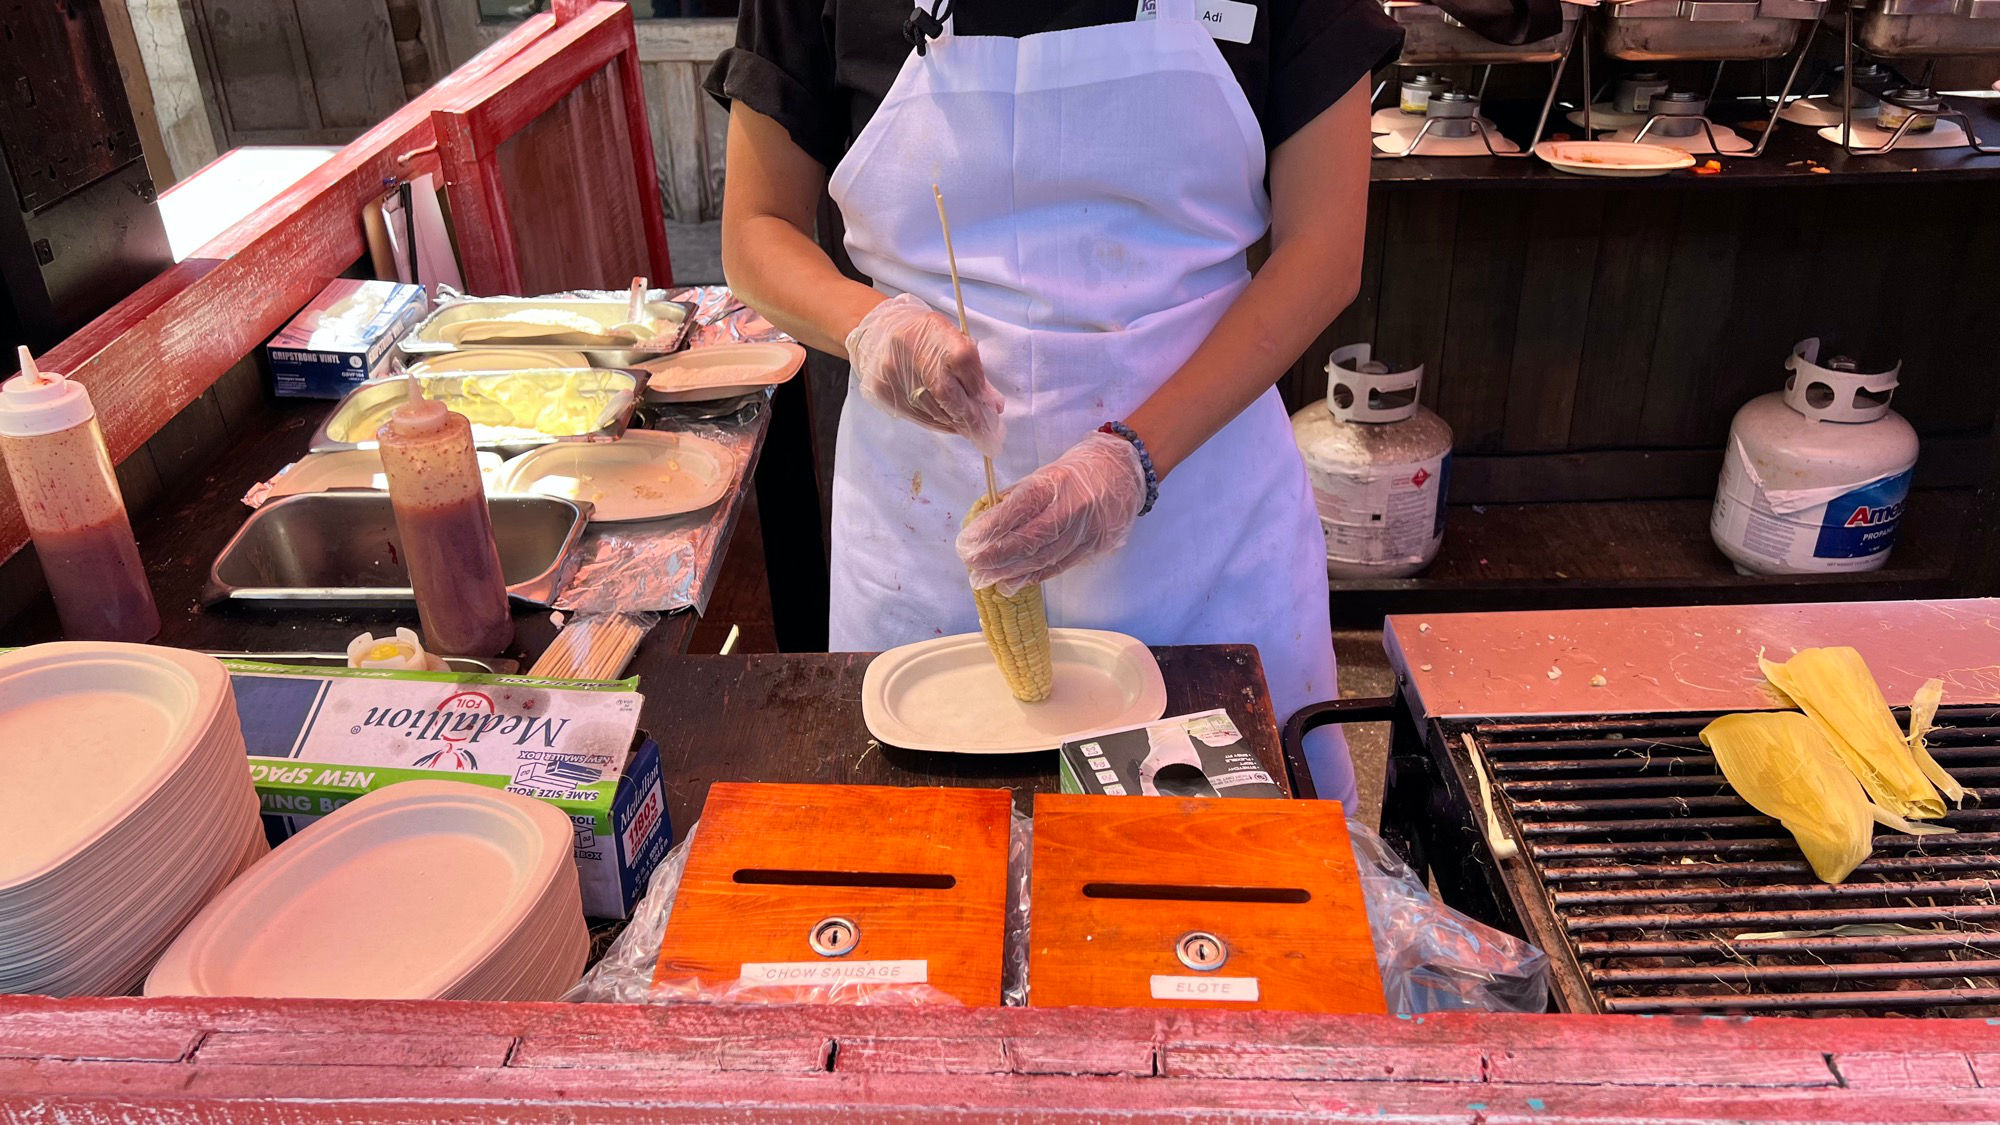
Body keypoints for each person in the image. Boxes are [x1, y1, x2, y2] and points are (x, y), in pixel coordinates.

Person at [706, 0, 1401, 806]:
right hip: (929, 537)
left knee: (1231, 895)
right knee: (934, 885)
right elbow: (756, 226)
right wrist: (870, 324)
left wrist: (1131, 461)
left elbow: (1324, 248)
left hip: (1198, 531)